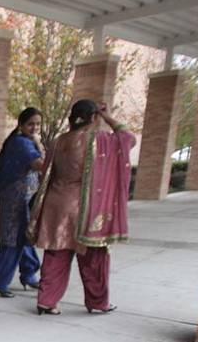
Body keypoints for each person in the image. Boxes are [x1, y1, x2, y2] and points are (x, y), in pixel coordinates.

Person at [28, 100, 134, 315]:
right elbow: (128, 139)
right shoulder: (99, 140)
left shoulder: (59, 141)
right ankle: (97, 302)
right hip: (85, 207)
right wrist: (107, 117)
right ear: (93, 118)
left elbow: (48, 174)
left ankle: (47, 301)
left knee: (56, 254)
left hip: (56, 204)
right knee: (93, 258)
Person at [0, 107, 45, 298]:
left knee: (24, 237)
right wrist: (40, 145)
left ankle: (29, 274)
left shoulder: (26, 142)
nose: (34, 127)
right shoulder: (21, 143)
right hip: (15, 200)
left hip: (25, 200)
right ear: (21, 125)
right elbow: (40, 165)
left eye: (38, 124)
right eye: (30, 124)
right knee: (12, 240)